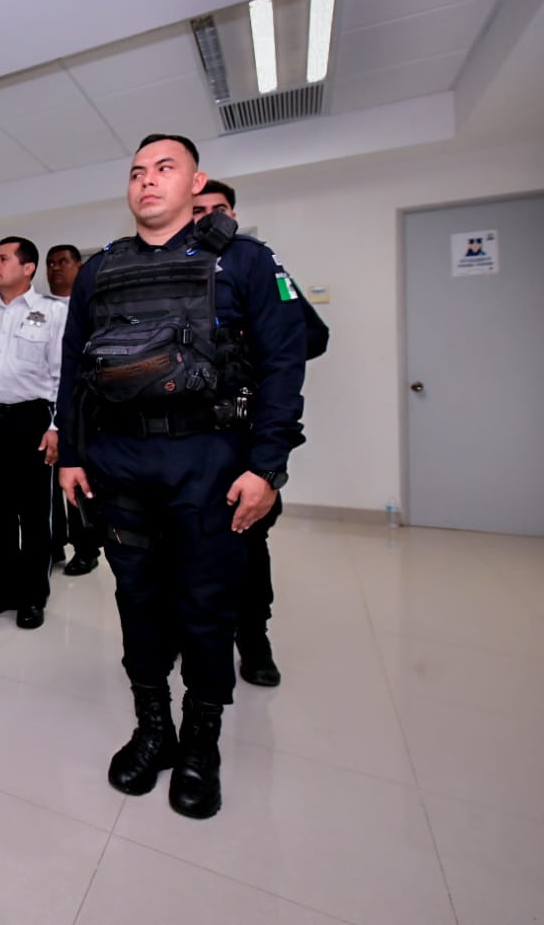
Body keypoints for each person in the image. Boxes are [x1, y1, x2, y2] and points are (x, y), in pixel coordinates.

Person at [58, 134, 306, 819]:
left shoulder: (244, 261)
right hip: (121, 461)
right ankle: (153, 727)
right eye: (137, 172)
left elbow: (284, 366)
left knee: (205, 603)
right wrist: (73, 453)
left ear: (196, 183)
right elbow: (74, 366)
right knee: (137, 600)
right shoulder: (99, 270)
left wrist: (267, 467)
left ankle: (201, 738)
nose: (147, 181)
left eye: (164, 168)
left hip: (210, 461)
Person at [193, 179, 329, 688]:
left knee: (246, 541)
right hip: (183, 436)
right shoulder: (172, 263)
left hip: (240, 429)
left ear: (232, 214)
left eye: (218, 209)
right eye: (199, 210)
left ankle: (253, 640)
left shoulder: (254, 263)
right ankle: (196, 636)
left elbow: (310, 336)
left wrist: (245, 344)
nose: (209, 218)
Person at [0, 236, 66, 629]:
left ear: (28, 268)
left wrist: (57, 426)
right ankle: (2, 589)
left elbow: (64, 375)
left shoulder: (52, 312)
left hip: (32, 422)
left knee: (35, 514)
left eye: (3, 258)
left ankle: (33, 596)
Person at [43, 245, 99, 576]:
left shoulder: (90, 307)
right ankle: (53, 545)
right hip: (46, 408)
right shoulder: (41, 310)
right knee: (47, 484)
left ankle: (86, 548)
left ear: (78, 266)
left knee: (78, 479)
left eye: (62, 262)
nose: (55, 268)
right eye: (50, 263)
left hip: (83, 406)